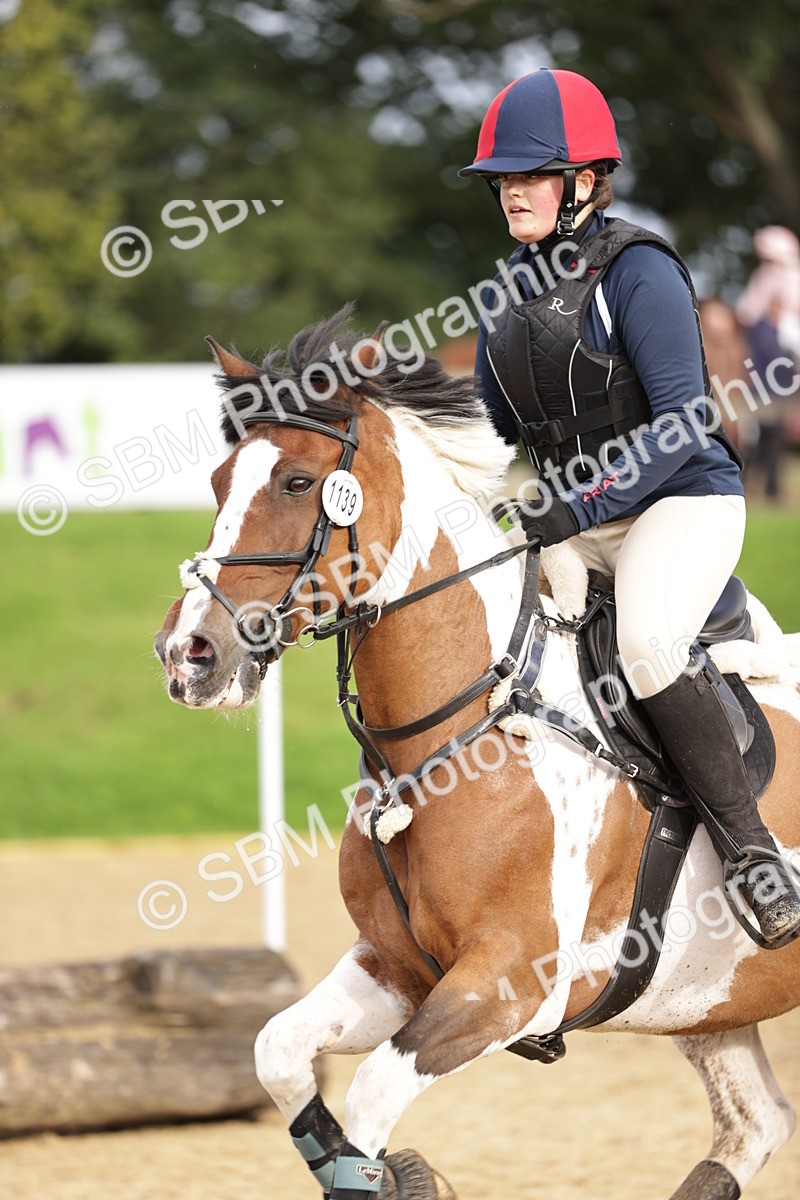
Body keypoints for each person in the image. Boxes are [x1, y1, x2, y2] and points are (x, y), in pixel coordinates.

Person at [459, 67, 800, 948]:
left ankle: (754, 853)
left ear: (582, 181)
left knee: (647, 645)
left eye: (527, 175)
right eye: (502, 180)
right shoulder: (504, 292)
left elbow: (687, 418)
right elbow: (499, 431)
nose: (510, 193)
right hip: (576, 519)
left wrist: (573, 505)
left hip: (680, 503)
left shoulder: (637, 270)